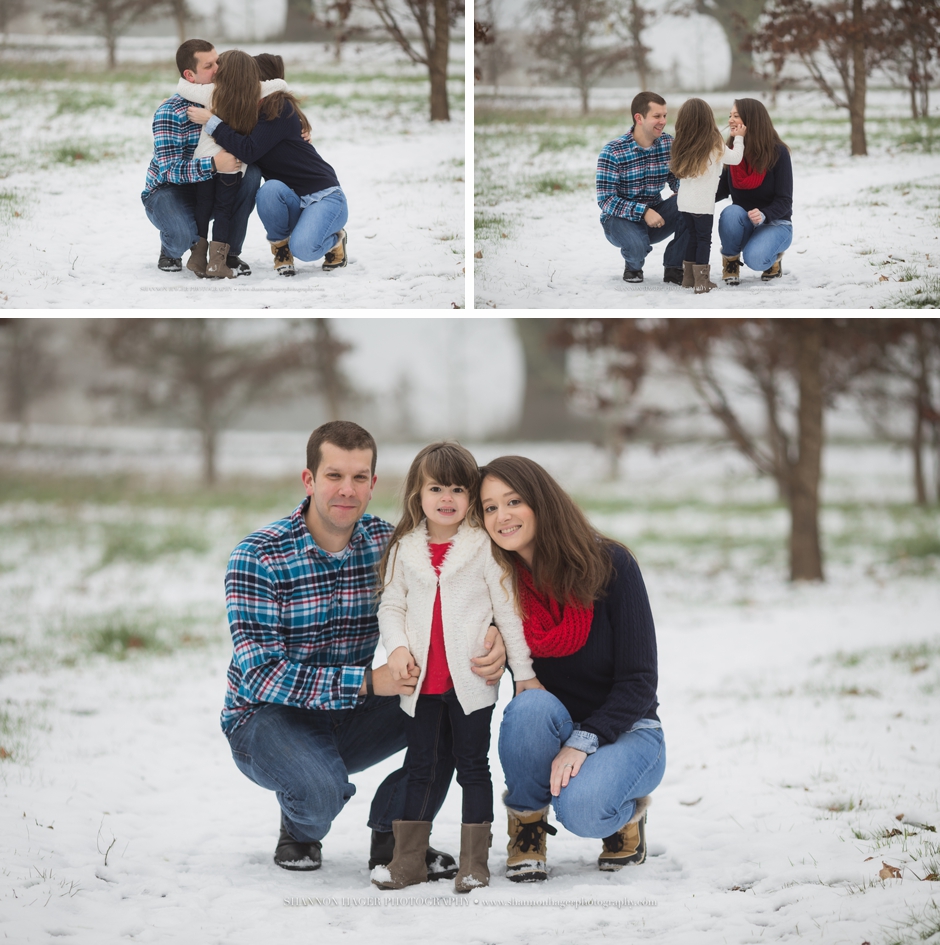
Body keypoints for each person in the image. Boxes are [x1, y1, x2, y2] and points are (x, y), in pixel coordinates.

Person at [223, 421, 508, 874]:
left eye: (360, 478)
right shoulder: (258, 557)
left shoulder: (389, 544)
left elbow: (459, 584)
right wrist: (369, 680)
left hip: (353, 709)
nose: (347, 490)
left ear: (373, 484)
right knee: (319, 792)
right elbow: (261, 675)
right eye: (334, 475)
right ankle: (300, 823)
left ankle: (396, 835)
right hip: (265, 717)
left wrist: (494, 631)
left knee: (454, 711)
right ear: (309, 479)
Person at [478, 456, 665, 882]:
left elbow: (640, 680)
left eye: (514, 501)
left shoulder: (611, 565)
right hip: (552, 727)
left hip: (628, 731)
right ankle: (527, 828)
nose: (502, 516)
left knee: (583, 810)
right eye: (490, 507)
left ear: (541, 502)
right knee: (529, 707)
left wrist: (585, 740)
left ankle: (625, 819)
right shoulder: (500, 584)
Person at [370, 443, 541, 893]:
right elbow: (392, 606)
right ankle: (408, 862)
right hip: (421, 683)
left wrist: (522, 673)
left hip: (472, 682)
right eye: (436, 487)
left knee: (472, 767)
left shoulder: (483, 546)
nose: (447, 497)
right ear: (418, 493)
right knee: (420, 765)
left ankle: (473, 864)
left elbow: (507, 612)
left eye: (459, 488)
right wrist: (398, 648)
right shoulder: (404, 549)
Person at [187, 50, 348, 278]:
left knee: (304, 248)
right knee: (268, 191)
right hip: (289, 197)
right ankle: (282, 248)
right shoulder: (246, 114)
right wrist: (174, 105)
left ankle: (334, 241)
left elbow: (249, 150)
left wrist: (212, 122)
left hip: (323, 195)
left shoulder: (278, 107)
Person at [142, 39, 259, 276]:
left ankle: (228, 253)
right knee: (181, 238)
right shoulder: (171, 112)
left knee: (251, 174)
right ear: (190, 75)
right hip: (168, 190)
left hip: (208, 184)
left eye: (218, 61)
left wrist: (298, 129)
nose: (218, 69)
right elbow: (169, 171)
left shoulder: (225, 100)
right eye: (209, 66)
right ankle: (170, 247)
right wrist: (214, 164)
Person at [173, 60, 288, 278]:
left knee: (203, 207)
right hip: (233, 164)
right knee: (224, 210)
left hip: (206, 160)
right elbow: (280, 84)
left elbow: (182, 87)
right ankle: (217, 263)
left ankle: (197, 259)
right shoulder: (253, 92)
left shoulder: (211, 92)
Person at [596, 90, 688, 285]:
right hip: (619, 220)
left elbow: (675, 177)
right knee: (636, 246)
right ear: (639, 118)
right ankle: (633, 265)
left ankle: (673, 266)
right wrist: (644, 211)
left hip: (657, 216)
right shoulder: (613, 151)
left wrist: (682, 189)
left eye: (664, 116)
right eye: (657, 116)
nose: (663, 121)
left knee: (691, 203)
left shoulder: (668, 144)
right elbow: (606, 200)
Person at [671, 97, 746, 294]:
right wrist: (739, 137)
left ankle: (688, 279)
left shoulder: (681, 142)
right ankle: (702, 282)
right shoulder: (713, 142)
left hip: (684, 203)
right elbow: (735, 158)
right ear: (708, 119)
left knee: (693, 238)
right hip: (702, 205)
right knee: (704, 240)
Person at [715, 98, 793, 285]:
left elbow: (785, 200)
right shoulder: (733, 151)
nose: (731, 120)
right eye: (730, 116)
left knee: (756, 259)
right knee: (730, 212)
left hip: (775, 222)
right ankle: (731, 262)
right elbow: (722, 189)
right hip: (744, 222)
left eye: (736, 116)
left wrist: (765, 214)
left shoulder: (778, 152)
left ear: (752, 119)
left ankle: (773, 259)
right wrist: (692, 195)